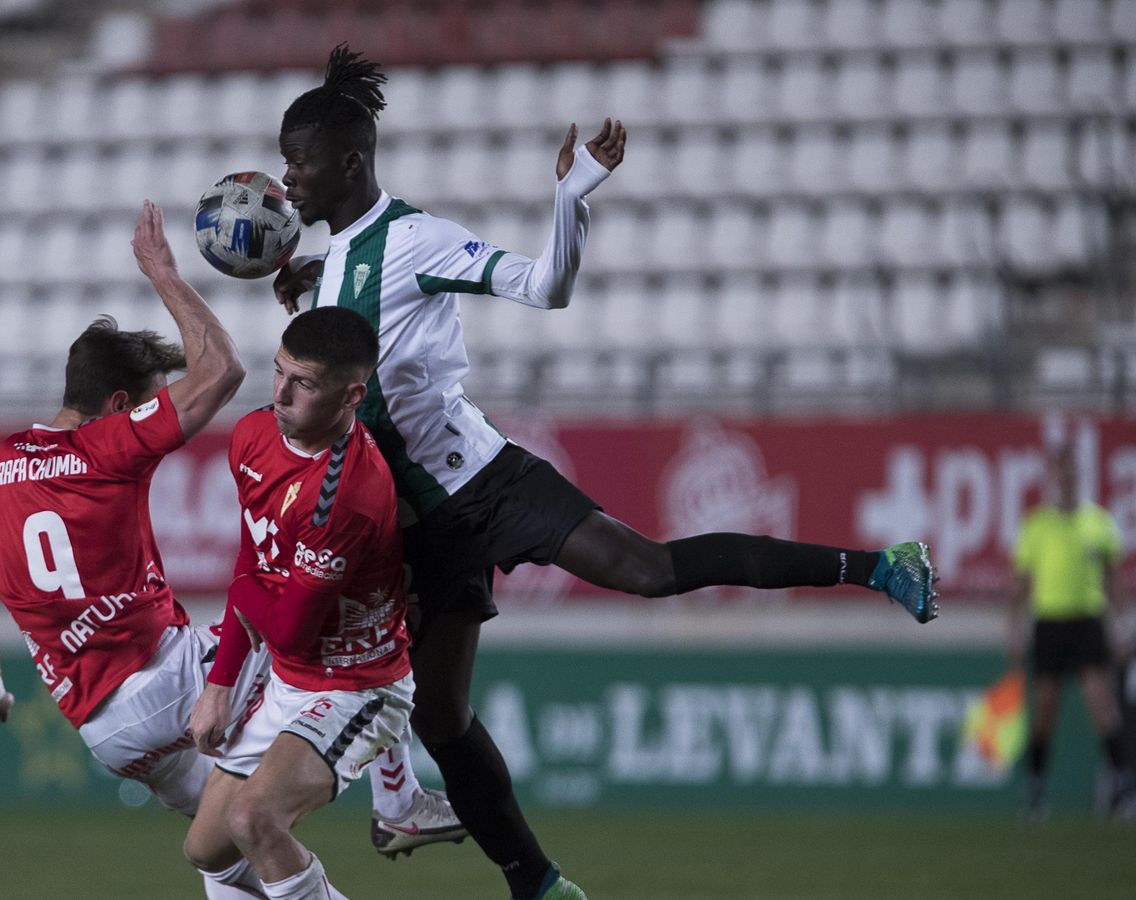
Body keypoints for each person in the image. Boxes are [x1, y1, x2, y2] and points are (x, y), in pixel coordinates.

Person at [267, 46, 941, 900]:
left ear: (350, 163)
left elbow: (545, 287)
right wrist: (311, 292)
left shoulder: (415, 237)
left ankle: (881, 566)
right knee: (441, 715)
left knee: (648, 569)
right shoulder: (334, 267)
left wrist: (569, 199)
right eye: (286, 162)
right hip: (411, 523)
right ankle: (536, 883)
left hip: (482, 483)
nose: (288, 179)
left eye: (301, 162)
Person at [0, 204, 457, 899]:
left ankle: (388, 805)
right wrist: (162, 272)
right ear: (118, 403)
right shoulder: (103, 447)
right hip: (164, 675)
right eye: (145, 404)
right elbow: (220, 369)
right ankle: (399, 799)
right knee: (322, 625)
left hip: (105, 733)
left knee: (223, 851)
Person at [185, 305, 420, 900]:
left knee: (253, 821)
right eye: (279, 372)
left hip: (355, 685)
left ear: (351, 395)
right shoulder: (254, 435)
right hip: (289, 681)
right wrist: (220, 685)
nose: (281, 394)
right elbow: (254, 560)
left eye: (305, 383)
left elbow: (286, 628)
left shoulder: (348, 495)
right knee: (207, 849)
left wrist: (242, 594)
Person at [1011, 444, 1133, 819]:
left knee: (1103, 707)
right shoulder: (1037, 525)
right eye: (1059, 473)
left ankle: (1121, 790)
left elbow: (1115, 579)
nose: (1066, 480)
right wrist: (1014, 630)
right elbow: (1021, 584)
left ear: (1079, 476)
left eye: (1071, 473)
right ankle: (1036, 792)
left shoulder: (1098, 523)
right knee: (1045, 711)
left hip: (1088, 621)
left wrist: (1123, 624)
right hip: (1050, 622)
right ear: (1051, 477)